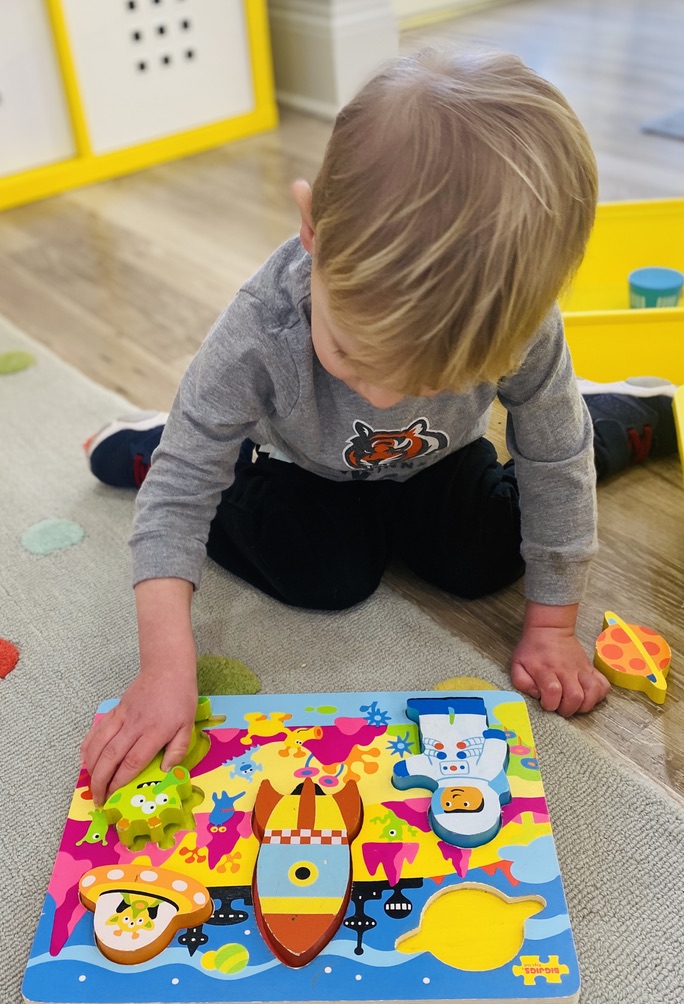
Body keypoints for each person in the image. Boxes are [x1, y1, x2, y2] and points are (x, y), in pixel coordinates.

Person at [81, 48, 678, 807]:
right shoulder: (260, 330)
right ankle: (152, 443)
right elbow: (183, 490)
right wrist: (167, 668)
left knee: (486, 557)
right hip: (300, 465)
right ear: (312, 229)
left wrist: (554, 628)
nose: (384, 395)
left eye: (433, 379)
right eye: (351, 355)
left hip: (438, 461)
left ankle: (615, 412)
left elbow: (555, 456)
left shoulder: (522, 320)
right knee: (322, 574)